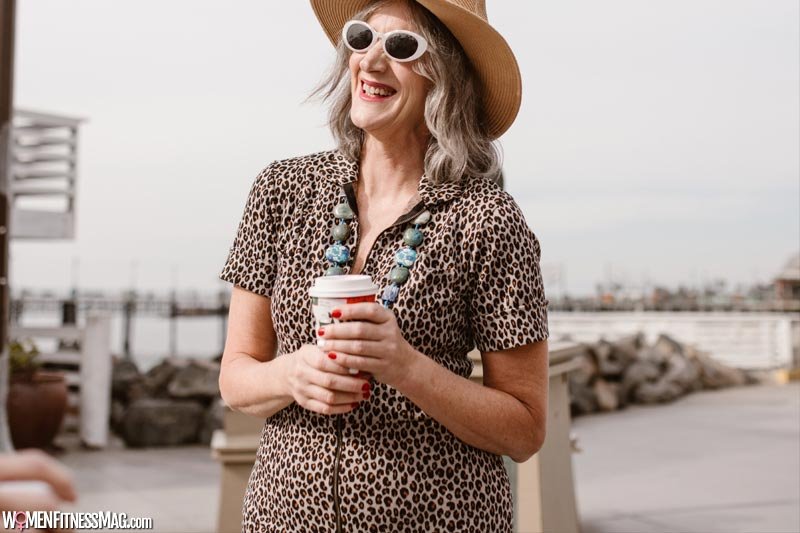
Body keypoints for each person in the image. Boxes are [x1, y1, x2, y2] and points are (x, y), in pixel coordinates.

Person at [218, 0, 550, 531]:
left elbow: (525, 429)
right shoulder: (281, 191)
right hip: (281, 518)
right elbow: (235, 379)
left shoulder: (488, 219)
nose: (370, 61)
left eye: (401, 47)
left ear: (445, 78)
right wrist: (292, 374)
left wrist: (405, 366)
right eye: (361, 38)